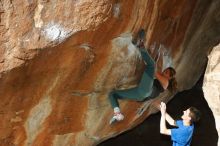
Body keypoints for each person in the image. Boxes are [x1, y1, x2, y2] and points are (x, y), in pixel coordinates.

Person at [109, 29, 177, 124]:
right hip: (140, 95)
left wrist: (153, 64)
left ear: (169, 77)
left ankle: (140, 44)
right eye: (165, 70)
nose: (164, 72)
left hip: (145, 91)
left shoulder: (166, 82)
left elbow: (154, 72)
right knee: (112, 94)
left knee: (152, 65)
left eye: (166, 73)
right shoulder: (161, 82)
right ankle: (117, 114)